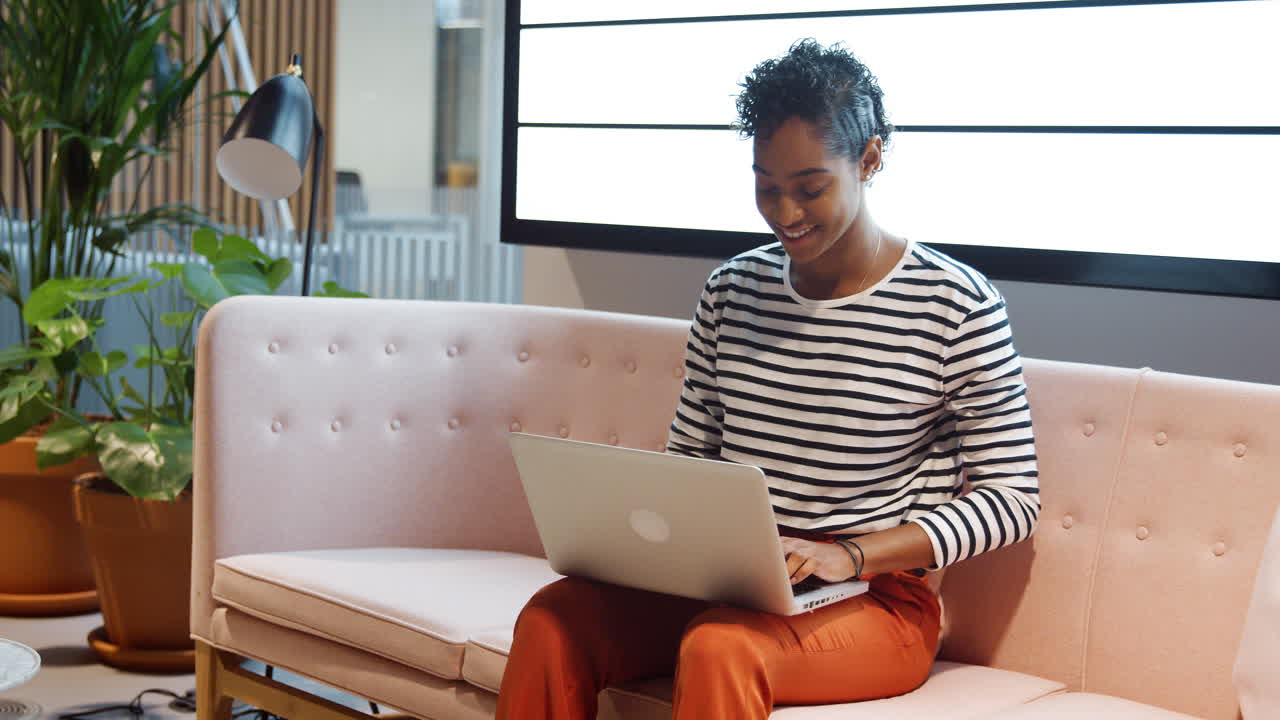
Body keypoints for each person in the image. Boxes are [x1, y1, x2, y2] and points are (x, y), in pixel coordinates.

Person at [496, 38, 1039, 719]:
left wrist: (851, 553)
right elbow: (689, 463)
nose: (786, 214)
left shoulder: (956, 304)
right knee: (555, 618)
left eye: (811, 187)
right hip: (729, 583)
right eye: (766, 186)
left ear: (870, 158)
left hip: (876, 601)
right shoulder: (733, 290)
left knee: (721, 648)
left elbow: (1013, 499)